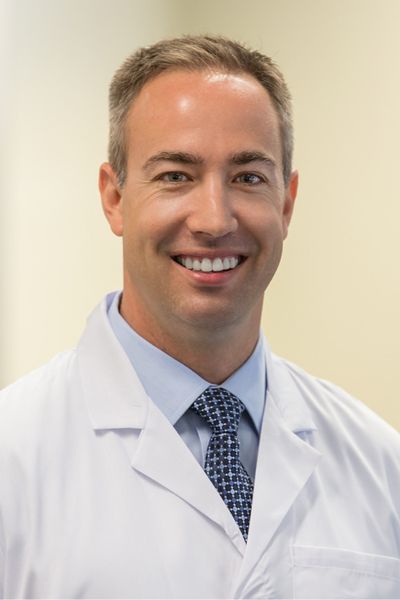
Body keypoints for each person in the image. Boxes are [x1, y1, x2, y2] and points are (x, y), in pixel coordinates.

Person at [0, 35, 399, 600]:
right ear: (114, 198)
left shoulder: (381, 463)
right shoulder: (13, 456)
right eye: (175, 176)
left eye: (248, 177)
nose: (214, 219)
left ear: (286, 203)